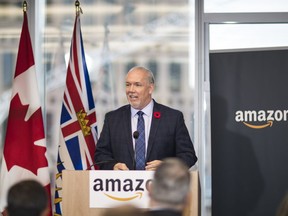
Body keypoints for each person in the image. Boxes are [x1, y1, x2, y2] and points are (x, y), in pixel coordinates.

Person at [94, 66, 197, 170]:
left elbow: (188, 156)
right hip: (123, 185)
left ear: (150, 88)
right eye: (128, 85)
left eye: (137, 85)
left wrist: (166, 167)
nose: (131, 90)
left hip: (160, 184)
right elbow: (101, 155)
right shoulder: (113, 119)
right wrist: (113, 166)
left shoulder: (172, 118)